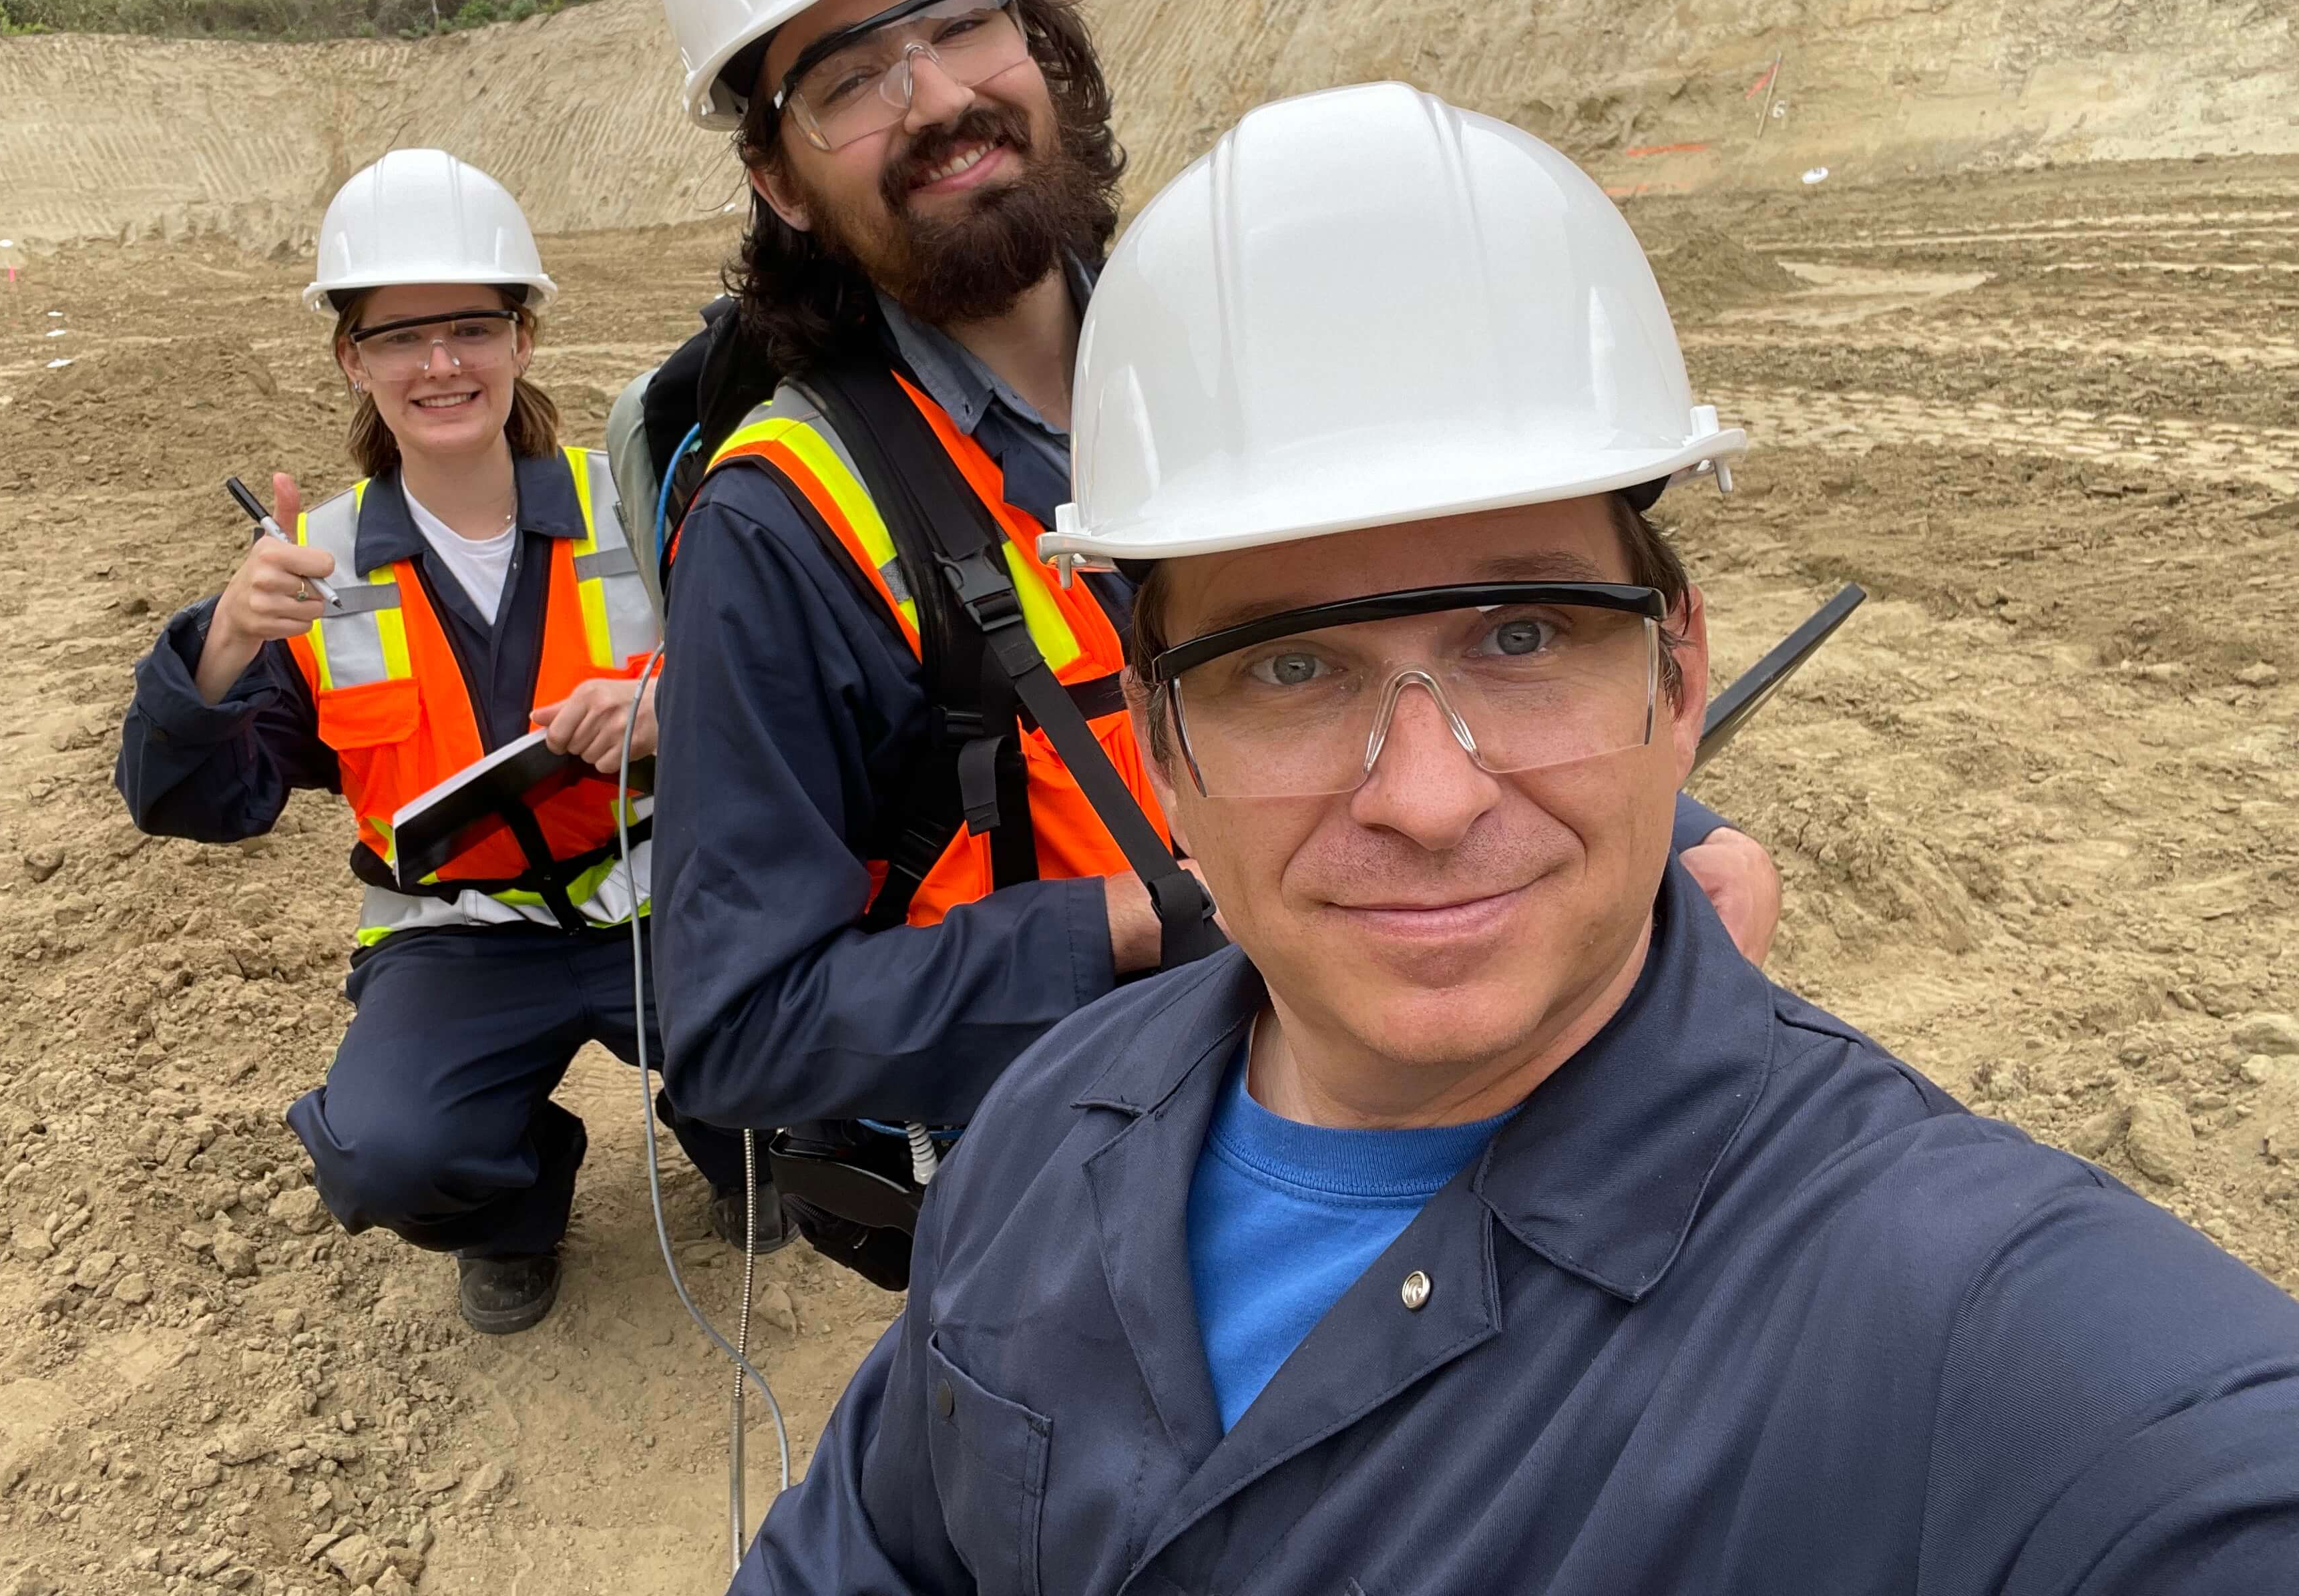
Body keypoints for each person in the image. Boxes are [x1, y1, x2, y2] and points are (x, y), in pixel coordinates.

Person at [728, 83, 2299, 1593]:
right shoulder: (1041, 1137)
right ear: (1160, 750)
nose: (1428, 795)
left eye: (1526, 637)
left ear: (1678, 674)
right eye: (1288, 667)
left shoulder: (1956, 1321)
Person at [644, 0, 1782, 1284]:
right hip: (1082, 1184)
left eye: (955, 19)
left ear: (1028, 37)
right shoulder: (782, 527)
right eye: (848, 78)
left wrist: (1682, 843)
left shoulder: (1235, 331)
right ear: (779, 176)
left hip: (1393, 1055)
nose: (933, 98)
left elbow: (1453, 623)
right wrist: (1133, 922)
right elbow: (742, 1030)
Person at [116, 148, 775, 1340]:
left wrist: (675, 713)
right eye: (400, 337)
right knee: (390, 1155)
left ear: (521, 340)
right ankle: (518, 1204)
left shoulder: (638, 505)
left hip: (665, 897)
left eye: (471, 326)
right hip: (459, 941)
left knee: (816, 1029)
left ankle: (742, 1137)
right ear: (351, 359)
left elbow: (788, 688)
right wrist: (218, 646)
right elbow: (192, 802)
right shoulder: (314, 572)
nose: (440, 364)